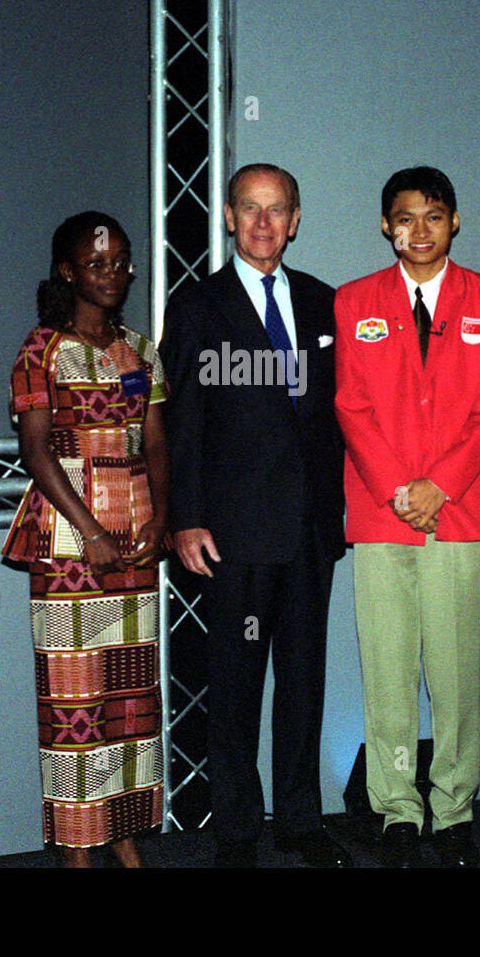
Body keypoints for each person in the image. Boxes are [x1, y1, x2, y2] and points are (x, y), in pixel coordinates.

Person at [160, 163, 350, 869]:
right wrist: (185, 517)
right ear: (229, 218)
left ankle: (301, 820)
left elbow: (335, 419)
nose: (264, 223)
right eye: (250, 209)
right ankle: (236, 828)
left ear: (295, 219)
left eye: (278, 210)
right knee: (235, 683)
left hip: (308, 532)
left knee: (304, 681)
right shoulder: (196, 306)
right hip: (232, 534)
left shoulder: (323, 302)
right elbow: (180, 421)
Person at [334, 165, 480, 868]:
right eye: (405, 217)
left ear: (455, 221)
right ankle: (397, 809)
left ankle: (454, 809)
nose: (419, 230)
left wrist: (438, 485)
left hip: (460, 513)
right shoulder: (355, 301)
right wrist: (395, 488)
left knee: (455, 671)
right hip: (382, 517)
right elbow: (350, 402)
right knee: (386, 671)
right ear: (386, 225)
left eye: (433, 216)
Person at [4, 212, 167, 868]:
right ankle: (78, 848)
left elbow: (155, 440)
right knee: (75, 700)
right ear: (68, 270)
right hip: (71, 543)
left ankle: (123, 834)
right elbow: (37, 453)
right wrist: (90, 529)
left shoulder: (139, 348)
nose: (113, 274)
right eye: (97, 263)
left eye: (122, 261)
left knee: (129, 698)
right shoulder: (39, 348)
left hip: (134, 540)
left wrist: (158, 517)